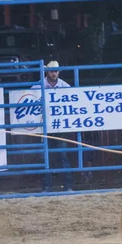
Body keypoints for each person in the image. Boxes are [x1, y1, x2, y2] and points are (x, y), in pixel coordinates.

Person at [32, 61, 73, 192]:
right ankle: (47, 186)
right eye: (51, 71)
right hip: (45, 128)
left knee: (62, 156)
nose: (54, 73)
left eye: (55, 71)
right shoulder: (37, 88)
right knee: (47, 157)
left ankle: (67, 186)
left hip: (59, 127)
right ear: (47, 72)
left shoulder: (65, 87)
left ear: (58, 72)